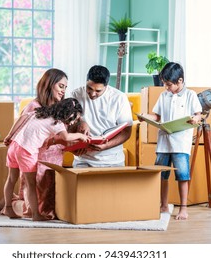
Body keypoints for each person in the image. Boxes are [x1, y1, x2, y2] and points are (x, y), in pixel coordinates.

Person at [0, 68, 68, 220]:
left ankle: (9, 204)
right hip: (31, 154)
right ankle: (15, 206)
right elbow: (22, 123)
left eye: (65, 87)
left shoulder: (59, 108)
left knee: (15, 180)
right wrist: (10, 136)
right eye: (61, 86)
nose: (63, 91)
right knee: (31, 186)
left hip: (49, 157)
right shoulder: (34, 106)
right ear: (50, 84)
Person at [2, 98, 90, 220]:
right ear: (69, 113)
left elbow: (22, 118)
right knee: (31, 184)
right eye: (74, 118)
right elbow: (66, 137)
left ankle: (8, 207)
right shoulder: (57, 123)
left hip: (14, 145)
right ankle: (35, 215)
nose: (73, 122)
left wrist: (9, 135)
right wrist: (81, 136)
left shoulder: (42, 112)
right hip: (27, 150)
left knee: (11, 179)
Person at [138, 62, 202, 220]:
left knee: (182, 175)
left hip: (181, 143)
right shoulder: (164, 95)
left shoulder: (190, 95)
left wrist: (195, 118)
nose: (166, 87)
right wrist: (145, 117)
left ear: (180, 81)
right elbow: (157, 117)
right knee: (162, 175)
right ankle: (164, 205)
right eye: (164, 84)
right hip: (164, 143)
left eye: (168, 84)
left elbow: (198, 114)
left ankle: (183, 208)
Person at [70, 65, 133, 167]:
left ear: (106, 86)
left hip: (113, 161)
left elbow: (127, 132)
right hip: (83, 160)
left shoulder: (119, 98)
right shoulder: (76, 94)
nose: (92, 94)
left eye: (98, 91)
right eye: (89, 88)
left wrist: (106, 145)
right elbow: (66, 126)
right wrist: (80, 122)